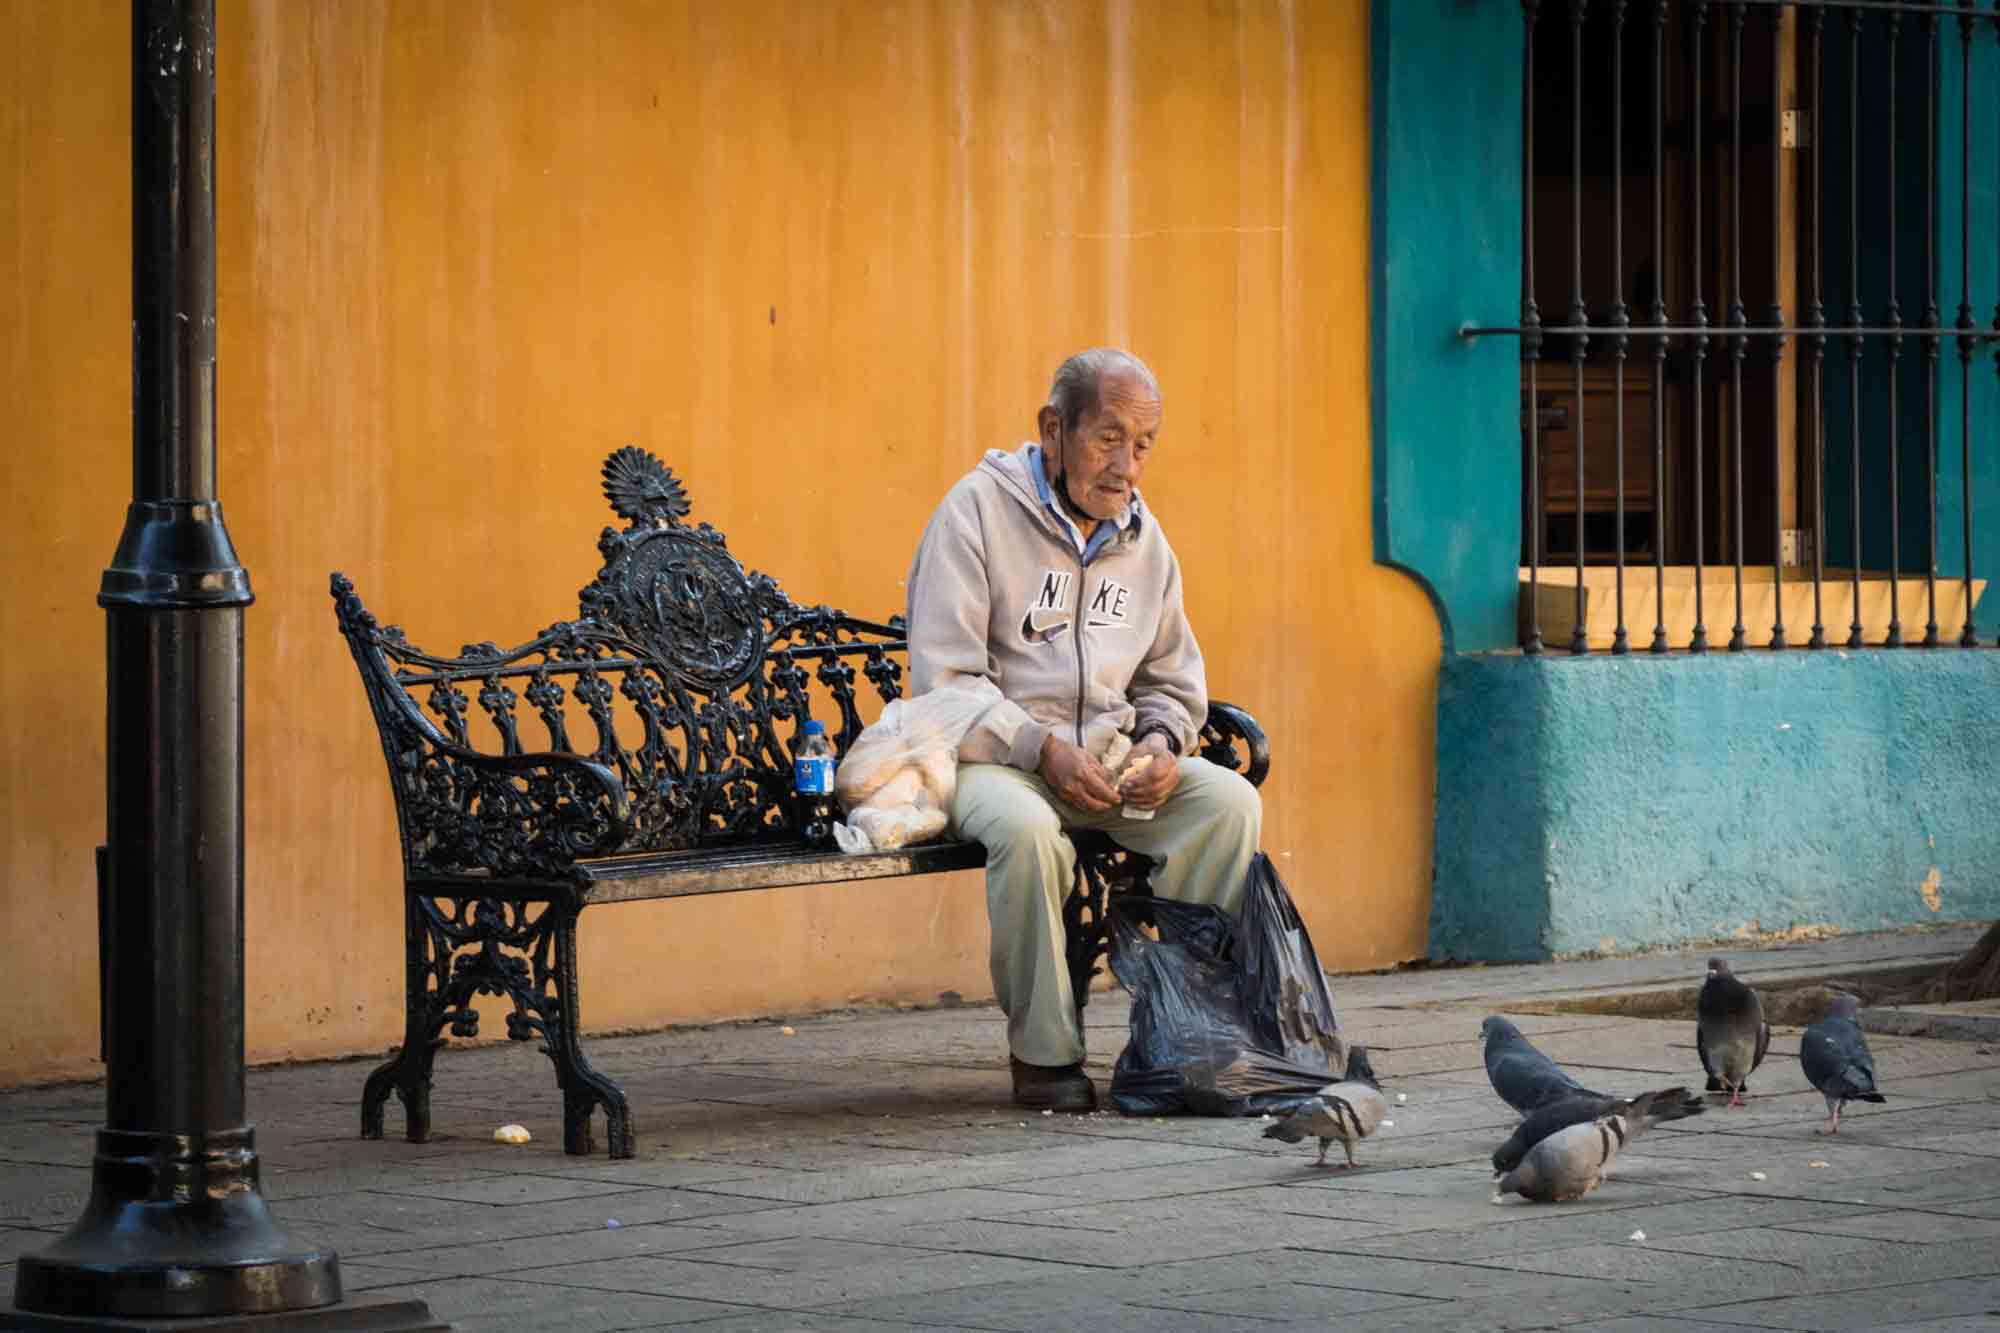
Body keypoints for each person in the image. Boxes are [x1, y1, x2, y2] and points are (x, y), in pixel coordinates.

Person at [905, 347, 1263, 1112]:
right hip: (993, 761)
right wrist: (1041, 747)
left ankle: (1189, 1035)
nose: (1126, 465)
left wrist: (1163, 745)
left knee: (1227, 803)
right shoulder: (975, 512)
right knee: (1031, 832)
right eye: (1107, 437)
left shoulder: (1145, 542)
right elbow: (944, 682)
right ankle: (1044, 1055)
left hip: (1103, 761)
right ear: (1053, 429)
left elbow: (1170, 679)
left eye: (1142, 445)